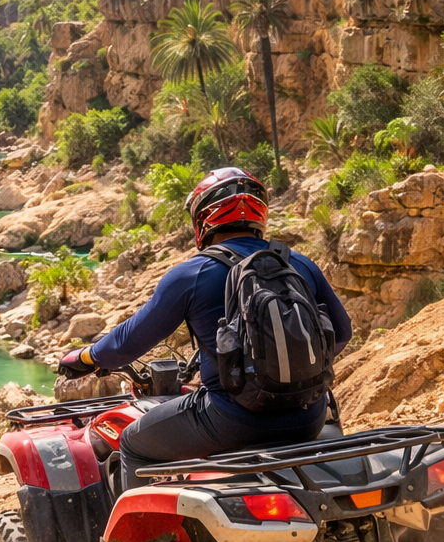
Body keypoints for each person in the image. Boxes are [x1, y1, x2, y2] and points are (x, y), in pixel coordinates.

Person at [59, 167, 353, 490]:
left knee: (132, 443)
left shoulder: (193, 274)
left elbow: (127, 344)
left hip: (232, 421)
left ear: (204, 220)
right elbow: (341, 332)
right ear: (260, 214)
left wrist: (86, 357)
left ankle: (139, 540)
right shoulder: (298, 263)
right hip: (308, 416)